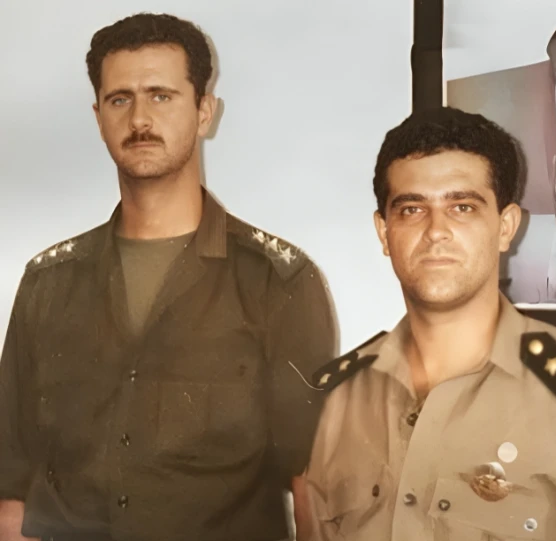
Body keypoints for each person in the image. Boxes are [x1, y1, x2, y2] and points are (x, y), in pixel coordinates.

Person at [0, 13, 336, 541]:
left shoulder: (277, 282)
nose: (140, 118)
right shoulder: (47, 284)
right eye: (120, 99)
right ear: (98, 116)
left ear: (204, 111)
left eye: (161, 96)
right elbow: (12, 484)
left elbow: (311, 480)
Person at [298, 107, 556, 541]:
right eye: (412, 209)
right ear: (384, 233)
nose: (436, 230)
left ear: (506, 227)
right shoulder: (340, 398)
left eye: (462, 207)